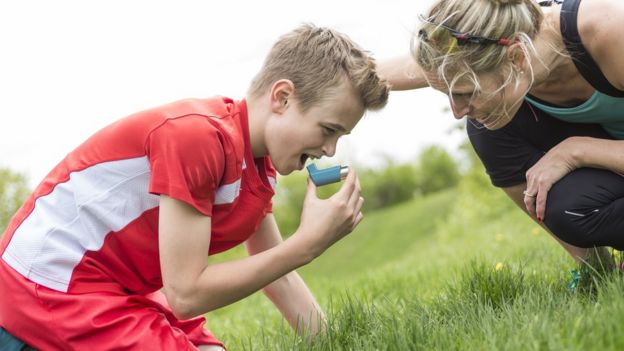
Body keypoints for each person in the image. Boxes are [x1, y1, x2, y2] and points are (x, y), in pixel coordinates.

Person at [0, 24, 389, 350]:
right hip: (47, 284)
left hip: (115, 286)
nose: (329, 149)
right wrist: (305, 244)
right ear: (282, 97)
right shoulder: (197, 138)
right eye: (328, 130)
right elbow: (186, 294)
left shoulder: (259, 165)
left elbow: (279, 276)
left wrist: (332, 343)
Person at [379, 0, 624, 264]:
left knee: (486, 117)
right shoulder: (479, 51)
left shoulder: (610, 31)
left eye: (466, 93)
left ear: (516, 58)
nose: (457, 111)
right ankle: (596, 269)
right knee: (566, 210)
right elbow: (364, 74)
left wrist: (576, 151)